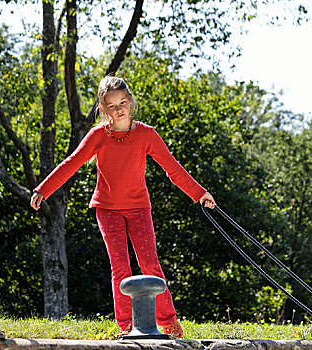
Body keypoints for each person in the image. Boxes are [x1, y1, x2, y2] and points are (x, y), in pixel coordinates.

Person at [31, 76, 216, 338]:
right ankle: (127, 327)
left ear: (130, 101)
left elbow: (173, 169)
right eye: (111, 105)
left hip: (139, 208)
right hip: (107, 209)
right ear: (103, 108)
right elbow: (71, 163)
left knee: (150, 264)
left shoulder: (146, 135)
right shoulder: (98, 135)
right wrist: (43, 189)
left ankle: (168, 321)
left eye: (122, 103)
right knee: (120, 267)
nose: (118, 109)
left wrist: (200, 194)